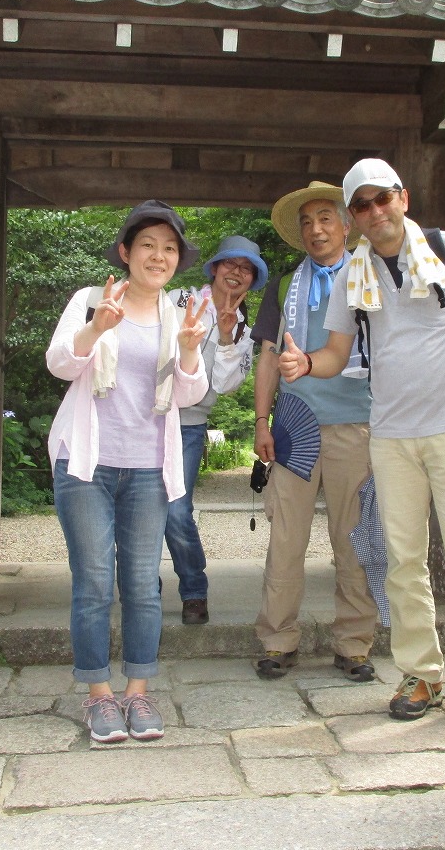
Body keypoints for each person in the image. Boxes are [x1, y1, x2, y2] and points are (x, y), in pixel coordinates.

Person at [276, 159, 445, 731]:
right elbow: (337, 353)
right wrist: (305, 363)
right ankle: (421, 673)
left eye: (381, 198)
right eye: (361, 205)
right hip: (389, 433)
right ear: (354, 217)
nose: (374, 211)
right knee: (403, 561)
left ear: (402, 198)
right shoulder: (352, 275)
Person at [46, 201, 209, 744]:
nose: (158, 256)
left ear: (177, 259)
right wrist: (96, 328)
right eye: (147, 246)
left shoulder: (179, 315)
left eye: (169, 248)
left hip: (148, 466)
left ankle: (138, 691)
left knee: (141, 584)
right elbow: (59, 363)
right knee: (93, 582)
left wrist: (189, 351)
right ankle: (99, 696)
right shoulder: (92, 300)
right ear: (125, 252)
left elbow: (190, 394)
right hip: (86, 462)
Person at [251, 182, 380, 682]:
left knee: (354, 539)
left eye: (325, 218)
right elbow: (268, 357)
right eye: (307, 222)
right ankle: (277, 639)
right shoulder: (285, 284)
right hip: (294, 426)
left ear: (346, 225)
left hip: (358, 423)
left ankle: (354, 644)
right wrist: (261, 421)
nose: (316, 229)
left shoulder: (371, 277)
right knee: (286, 538)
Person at [165, 235, 267, 625]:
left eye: (246, 269)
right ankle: (141, 584)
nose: (236, 273)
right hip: (146, 419)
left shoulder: (243, 330)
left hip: (189, 426)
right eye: (230, 264)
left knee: (177, 510)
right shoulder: (178, 300)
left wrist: (225, 336)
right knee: (136, 507)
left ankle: (194, 590)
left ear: (252, 280)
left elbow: (225, 386)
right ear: (214, 268)